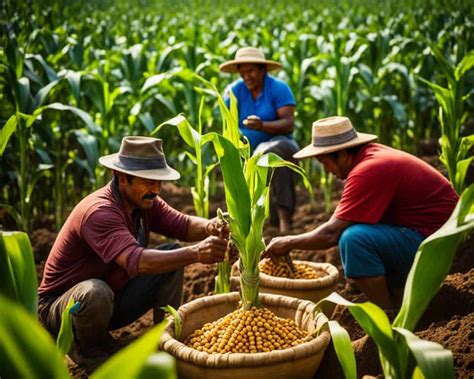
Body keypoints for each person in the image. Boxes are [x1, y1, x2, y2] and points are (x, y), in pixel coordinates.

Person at [38, 136, 231, 371]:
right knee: (95, 291)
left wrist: (211, 225)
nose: (156, 189)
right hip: (64, 312)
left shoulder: (144, 201)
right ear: (122, 179)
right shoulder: (100, 212)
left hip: (111, 300)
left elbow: (183, 225)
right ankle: (90, 354)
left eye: (158, 181)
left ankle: (164, 340)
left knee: (171, 255)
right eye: (148, 181)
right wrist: (197, 253)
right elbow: (137, 262)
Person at [264, 116, 459, 310]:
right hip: (430, 234)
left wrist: (289, 242)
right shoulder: (372, 156)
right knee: (362, 229)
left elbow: (331, 234)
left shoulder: (368, 170)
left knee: (354, 240)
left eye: (325, 162)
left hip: (440, 245)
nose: (326, 170)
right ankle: (400, 293)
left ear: (342, 155)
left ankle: (386, 315)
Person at [220, 46, 298, 233]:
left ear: (263, 70)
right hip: (247, 151)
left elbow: (289, 123)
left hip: (282, 143)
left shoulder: (278, 88)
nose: (247, 76)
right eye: (242, 72)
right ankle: (247, 226)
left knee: (269, 153)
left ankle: (284, 222)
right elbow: (228, 128)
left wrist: (263, 125)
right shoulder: (234, 93)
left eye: (251, 71)